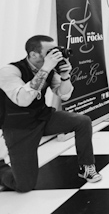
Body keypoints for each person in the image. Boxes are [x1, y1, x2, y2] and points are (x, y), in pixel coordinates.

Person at [0, 35, 101, 192]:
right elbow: (23, 100)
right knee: (24, 186)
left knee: (82, 121)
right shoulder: (9, 71)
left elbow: (64, 95)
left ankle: (87, 167)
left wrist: (65, 76)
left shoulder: (50, 69)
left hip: (43, 117)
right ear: (33, 54)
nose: (55, 54)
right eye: (50, 51)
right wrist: (46, 68)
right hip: (20, 127)